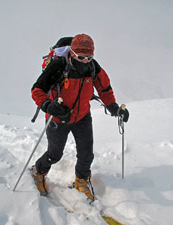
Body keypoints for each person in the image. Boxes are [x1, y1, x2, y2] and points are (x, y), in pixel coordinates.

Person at [31, 34, 129, 201]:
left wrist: (114, 108)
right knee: (55, 154)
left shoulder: (93, 67)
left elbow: (104, 88)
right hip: (58, 119)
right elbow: (37, 90)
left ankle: (81, 181)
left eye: (89, 57)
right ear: (72, 53)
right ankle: (38, 171)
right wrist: (48, 105)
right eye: (80, 57)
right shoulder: (59, 65)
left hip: (82, 116)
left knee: (86, 154)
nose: (85, 60)